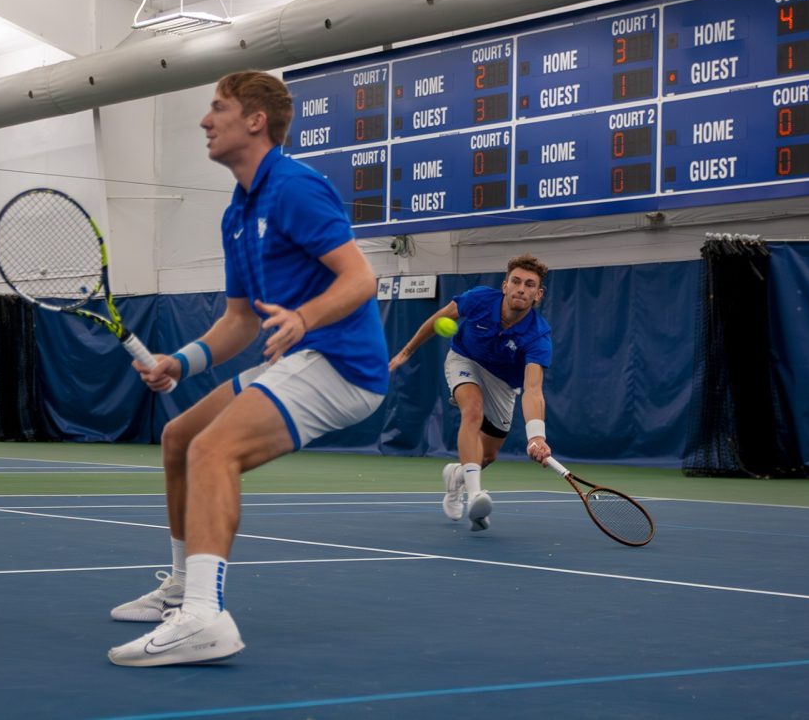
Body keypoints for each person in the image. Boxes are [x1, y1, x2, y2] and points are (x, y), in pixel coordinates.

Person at [107, 71, 390, 667]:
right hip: (301, 354)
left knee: (214, 450)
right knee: (180, 438)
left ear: (255, 121)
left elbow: (361, 278)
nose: (206, 122)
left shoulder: (294, 187)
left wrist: (304, 318)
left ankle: (203, 620)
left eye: (218, 109)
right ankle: (183, 588)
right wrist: (178, 363)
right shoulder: (237, 213)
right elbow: (238, 320)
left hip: (343, 364)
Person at [388, 255, 553, 531]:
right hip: (465, 359)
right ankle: (475, 494)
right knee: (472, 409)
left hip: (503, 383)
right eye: (515, 281)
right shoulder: (478, 299)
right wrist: (406, 352)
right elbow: (436, 319)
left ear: (538, 294)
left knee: (487, 456)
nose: (521, 289)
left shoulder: (538, 335)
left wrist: (537, 436)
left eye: (529, 284)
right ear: (505, 285)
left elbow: (533, 389)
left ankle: (457, 478)